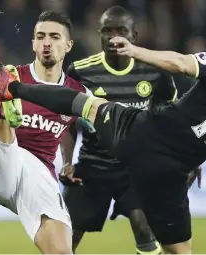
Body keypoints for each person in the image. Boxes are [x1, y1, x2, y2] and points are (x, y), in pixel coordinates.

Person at [0, 17, 206, 254]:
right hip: (173, 173)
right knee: (179, 251)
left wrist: (136, 52)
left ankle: (14, 88)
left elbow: (179, 63)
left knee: (86, 104)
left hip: (142, 134)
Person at [0, 11, 91, 254]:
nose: (47, 42)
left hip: (38, 175)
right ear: (33, 43)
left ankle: (6, 103)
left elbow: (83, 131)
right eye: (41, 36)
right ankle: (4, 104)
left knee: (62, 252)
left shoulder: (79, 93)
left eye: (55, 37)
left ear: (68, 45)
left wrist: (69, 163)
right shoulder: (8, 74)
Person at [59, 6, 177, 254]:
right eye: (107, 31)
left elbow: (171, 119)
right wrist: (67, 161)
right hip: (92, 166)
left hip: (136, 168)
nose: (114, 38)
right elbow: (67, 122)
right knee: (66, 238)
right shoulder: (80, 72)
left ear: (133, 35)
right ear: (99, 33)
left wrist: (186, 159)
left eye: (121, 31)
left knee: (143, 227)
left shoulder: (154, 70)